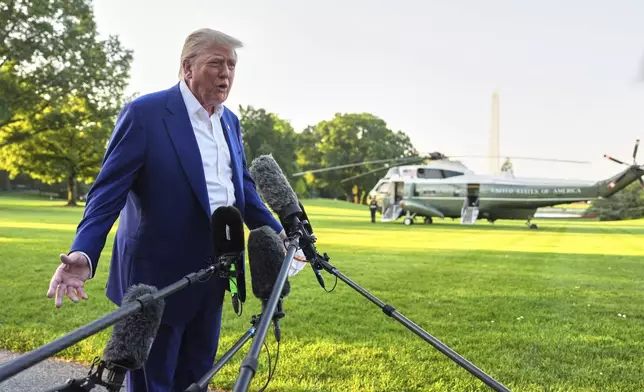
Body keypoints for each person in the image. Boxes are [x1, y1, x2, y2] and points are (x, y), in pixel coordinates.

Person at [46, 28, 306, 392]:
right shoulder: (145, 114)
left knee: (197, 378)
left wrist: (280, 231)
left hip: (217, 276)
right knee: (154, 384)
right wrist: (84, 252)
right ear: (187, 68)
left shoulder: (229, 120)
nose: (226, 74)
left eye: (231, 66)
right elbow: (107, 192)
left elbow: (240, 187)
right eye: (216, 63)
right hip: (157, 283)